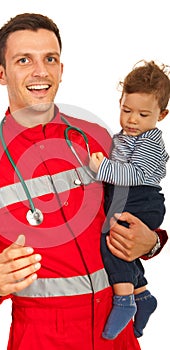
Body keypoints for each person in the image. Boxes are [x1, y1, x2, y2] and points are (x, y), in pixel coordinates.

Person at [0, 13, 168, 350]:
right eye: (23, 60)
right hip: (42, 338)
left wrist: (151, 243)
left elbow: (135, 209)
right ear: (1, 73)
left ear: (61, 68)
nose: (40, 71)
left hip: (117, 333)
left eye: (50, 59)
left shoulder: (97, 138)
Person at [89, 60, 170, 340]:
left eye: (143, 114)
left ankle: (124, 301)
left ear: (162, 114)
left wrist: (103, 169)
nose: (133, 120)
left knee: (111, 239)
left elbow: (135, 173)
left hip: (141, 198)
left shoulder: (149, 141)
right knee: (122, 244)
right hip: (127, 196)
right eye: (126, 110)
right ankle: (142, 294)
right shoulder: (125, 136)